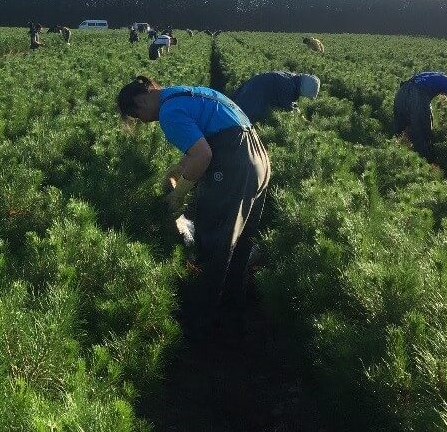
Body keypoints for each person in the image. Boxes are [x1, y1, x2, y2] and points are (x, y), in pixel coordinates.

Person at [116, 76, 270, 340]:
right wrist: (182, 166)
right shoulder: (188, 94)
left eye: (136, 114)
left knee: (213, 243)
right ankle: (233, 316)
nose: (142, 121)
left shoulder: (169, 111)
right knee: (241, 243)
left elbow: (203, 155)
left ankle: (202, 327)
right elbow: (208, 140)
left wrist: (179, 193)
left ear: (142, 98)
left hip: (234, 164)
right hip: (258, 159)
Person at [392, 71, 447, 160]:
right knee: (425, 139)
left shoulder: (434, 75)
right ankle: (426, 166)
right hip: (416, 94)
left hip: (401, 94)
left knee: (399, 136)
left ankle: (398, 163)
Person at [232, 72, 321, 124]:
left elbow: (291, 104)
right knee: (243, 121)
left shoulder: (292, 80)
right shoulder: (288, 87)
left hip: (251, 88)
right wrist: (302, 120)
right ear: (303, 90)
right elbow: (288, 108)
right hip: (253, 95)